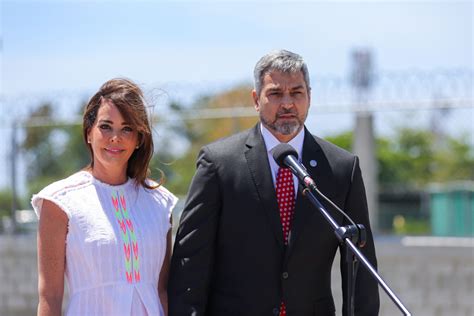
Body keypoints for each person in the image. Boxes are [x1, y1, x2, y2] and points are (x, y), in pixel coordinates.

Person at [168, 50, 379, 316]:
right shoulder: (219, 164)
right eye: (276, 94)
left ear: (309, 97)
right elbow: (191, 261)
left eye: (297, 93)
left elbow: (361, 268)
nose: (288, 103)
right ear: (256, 100)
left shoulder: (341, 169)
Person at [32, 78, 177, 316]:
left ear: (139, 139)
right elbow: (50, 296)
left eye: (127, 128)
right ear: (89, 132)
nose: (115, 138)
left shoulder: (160, 203)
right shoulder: (59, 202)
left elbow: (162, 290)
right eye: (105, 126)